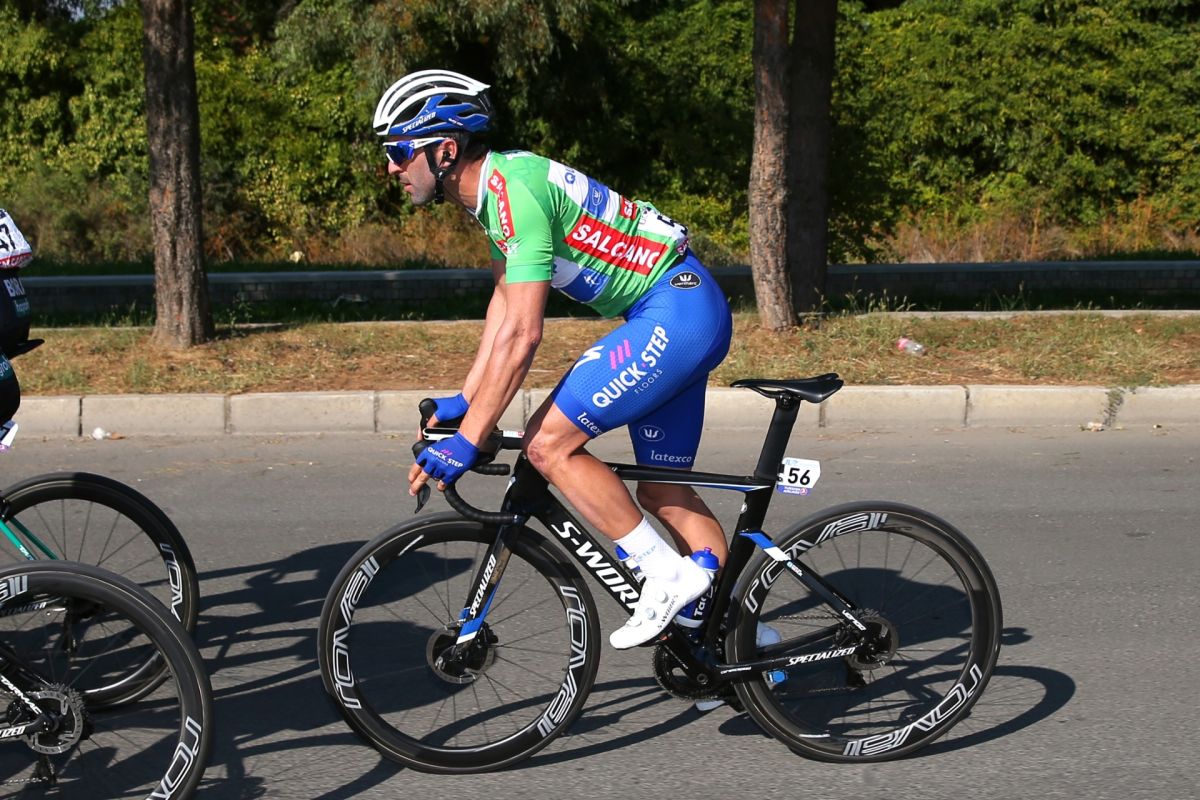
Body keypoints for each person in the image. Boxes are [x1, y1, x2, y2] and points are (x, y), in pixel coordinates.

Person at [382, 70, 733, 649]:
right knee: (662, 493)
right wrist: (469, 402)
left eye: (398, 152)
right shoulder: (497, 190)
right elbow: (503, 307)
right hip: (685, 309)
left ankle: (666, 576)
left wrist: (469, 439)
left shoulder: (512, 195)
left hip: (675, 313)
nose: (391, 169)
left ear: (444, 151)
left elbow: (524, 334)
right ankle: (734, 638)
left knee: (547, 445)